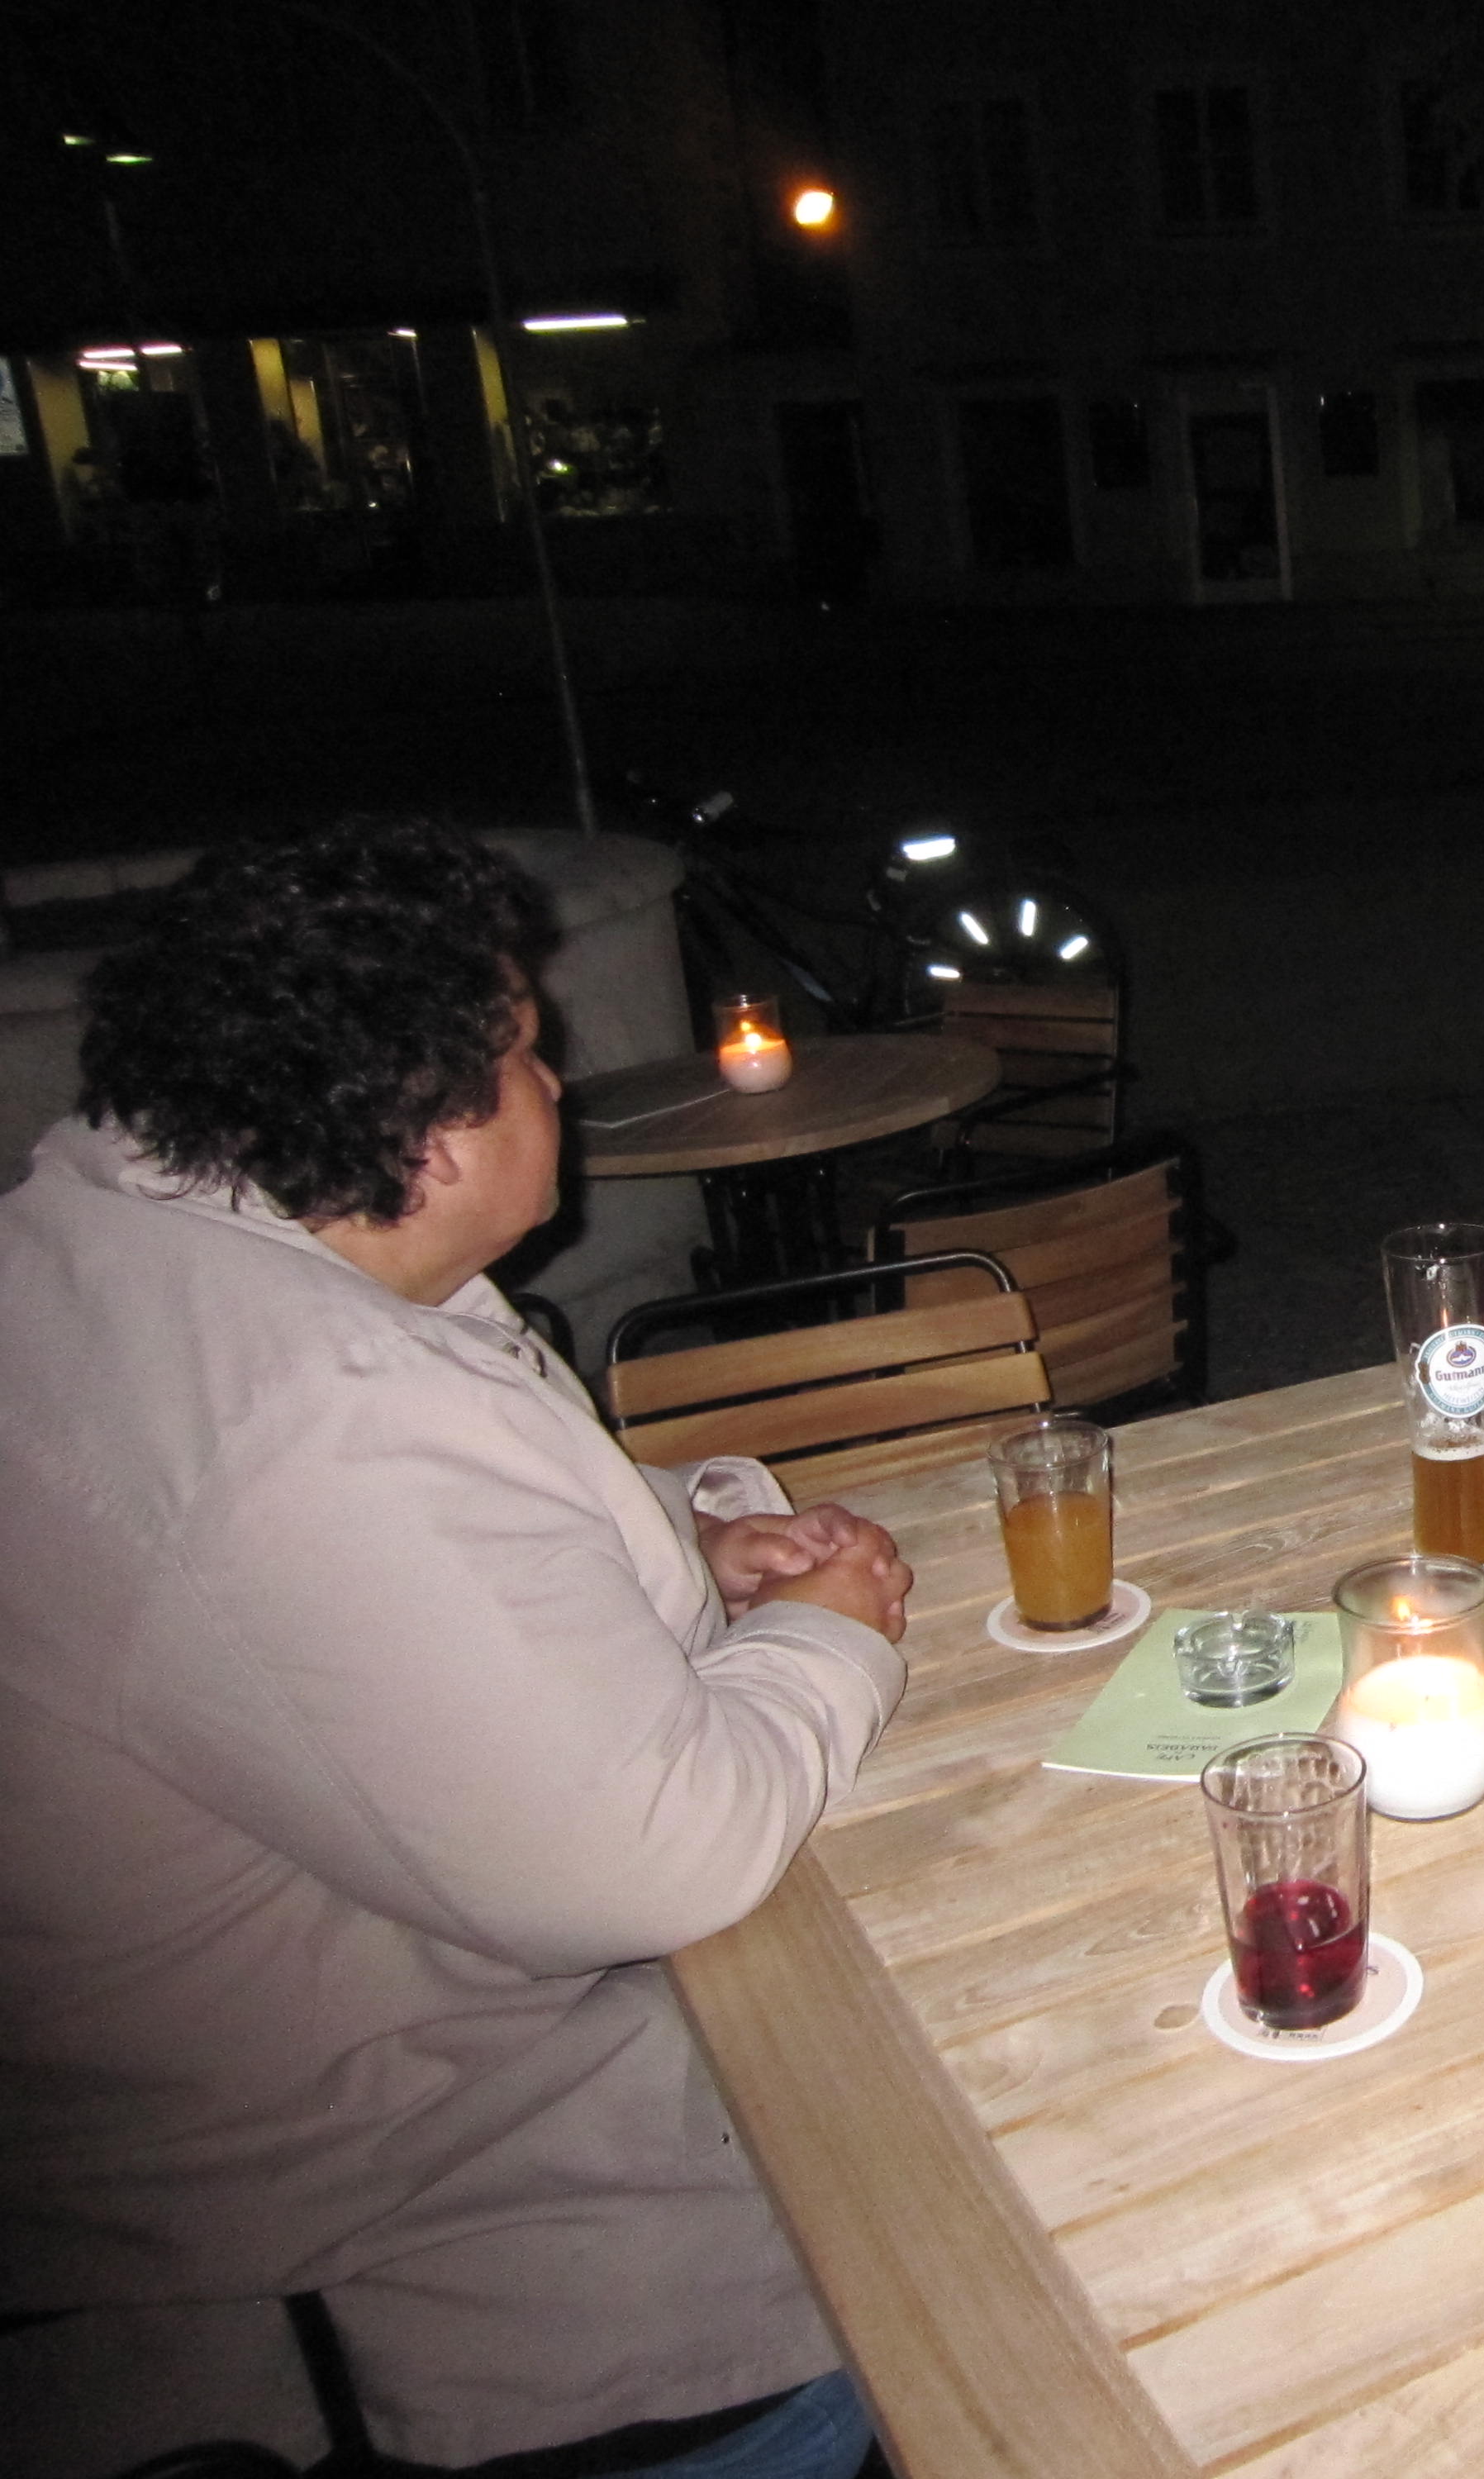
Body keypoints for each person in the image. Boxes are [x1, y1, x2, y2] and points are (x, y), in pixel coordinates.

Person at [0, 821, 913, 2478]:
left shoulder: (143, 1249)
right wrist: (828, 1633)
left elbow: (386, 1576)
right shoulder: (308, 1422)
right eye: (528, 1055)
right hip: (456, 2292)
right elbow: (660, 1852)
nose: (559, 1083)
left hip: (271, 2152)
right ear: (426, 1134)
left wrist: (688, 1540)